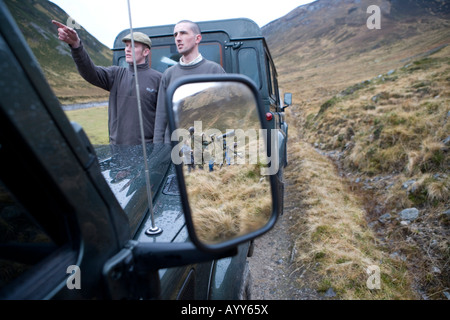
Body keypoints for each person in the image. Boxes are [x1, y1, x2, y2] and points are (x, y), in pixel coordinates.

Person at [52, 20, 162, 145]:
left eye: (133, 46)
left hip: (147, 152)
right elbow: (90, 72)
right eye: (126, 46)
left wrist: (157, 150)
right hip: (117, 150)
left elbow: (164, 120)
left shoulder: (159, 79)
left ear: (146, 52)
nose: (127, 50)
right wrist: (76, 45)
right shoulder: (116, 74)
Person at [153, 20, 225, 144]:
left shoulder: (215, 70)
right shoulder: (169, 74)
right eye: (175, 35)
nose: (178, 38)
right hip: (173, 148)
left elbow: (224, 113)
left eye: (183, 33)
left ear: (197, 38)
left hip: (205, 146)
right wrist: (158, 150)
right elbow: (161, 116)